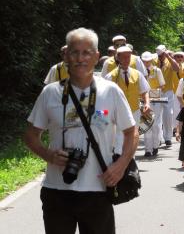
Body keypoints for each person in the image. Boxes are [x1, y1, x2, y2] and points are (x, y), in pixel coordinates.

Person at [24, 28, 138, 234]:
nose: (80, 58)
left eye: (87, 52)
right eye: (75, 52)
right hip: (56, 190)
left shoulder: (110, 91)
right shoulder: (50, 93)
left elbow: (131, 132)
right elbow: (31, 135)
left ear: (96, 57)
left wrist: (120, 166)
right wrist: (48, 154)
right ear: (66, 55)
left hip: (98, 190)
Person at [105, 46, 150, 155]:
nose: (126, 60)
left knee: (133, 137)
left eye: (128, 57)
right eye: (124, 57)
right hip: (117, 112)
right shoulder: (111, 76)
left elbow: (145, 91)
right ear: (118, 58)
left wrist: (147, 103)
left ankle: (130, 164)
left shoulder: (137, 74)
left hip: (134, 110)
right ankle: (120, 161)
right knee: (119, 138)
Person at [141, 51, 165, 157]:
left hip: (156, 101)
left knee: (155, 125)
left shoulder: (157, 70)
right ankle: (147, 149)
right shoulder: (139, 71)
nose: (146, 63)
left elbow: (162, 85)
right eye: (144, 61)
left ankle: (155, 146)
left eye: (148, 61)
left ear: (151, 60)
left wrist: (151, 93)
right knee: (146, 124)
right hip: (143, 101)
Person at [155, 45, 180, 147]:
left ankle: (168, 137)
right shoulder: (153, 60)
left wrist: (169, 57)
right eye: (159, 55)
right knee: (156, 115)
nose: (160, 57)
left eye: (162, 54)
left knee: (168, 114)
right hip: (155, 91)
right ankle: (157, 138)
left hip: (167, 91)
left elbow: (177, 68)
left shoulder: (169, 61)